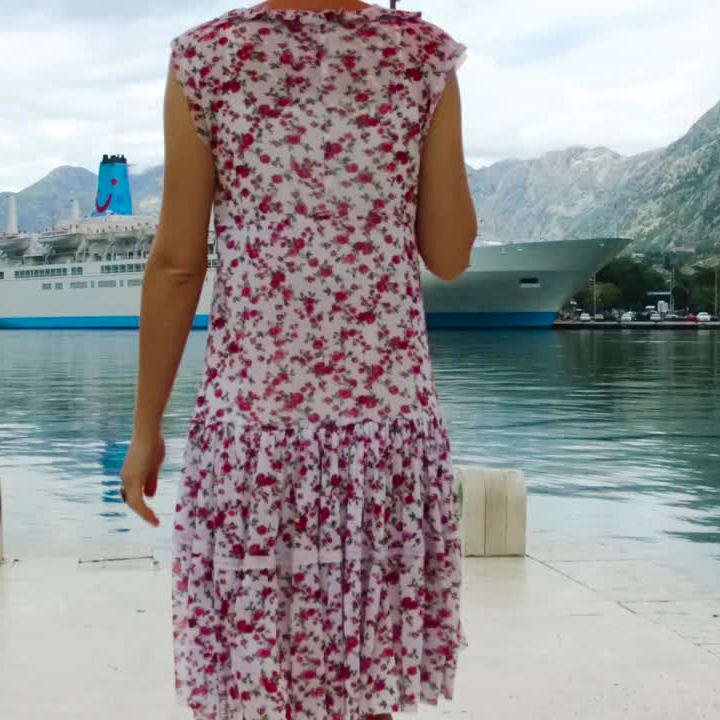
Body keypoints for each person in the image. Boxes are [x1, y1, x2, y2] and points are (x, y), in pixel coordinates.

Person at [120, 1, 475, 718]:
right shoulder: (420, 55)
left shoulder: (208, 57)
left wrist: (145, 429)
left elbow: (178, 267)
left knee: (260, 685)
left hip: (255, 434)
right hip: (384, 435)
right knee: (364, 681)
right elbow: (449, 253)